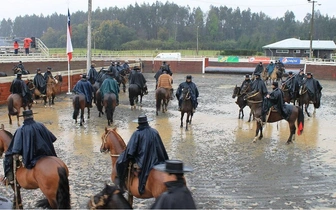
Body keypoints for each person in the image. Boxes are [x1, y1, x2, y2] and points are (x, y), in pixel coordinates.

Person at [116, 114, 169, 195]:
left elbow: (131, 152)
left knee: (120, 162)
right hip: (157, 160)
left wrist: (126, 156)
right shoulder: (155, 132)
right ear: (147, 122)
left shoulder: (137, 134)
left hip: (142, 162)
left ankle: (121, 184)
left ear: (139, 124)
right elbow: (161, 148)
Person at [2, 110, 57, 185]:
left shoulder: (20, 130)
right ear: (32, 116)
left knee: (8, 157)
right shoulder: (41, 125)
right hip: (47, 154)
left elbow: (16, 149)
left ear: (24, 118)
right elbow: (52, 138)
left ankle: (10, 178)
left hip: (31, 157)